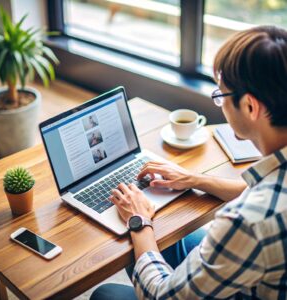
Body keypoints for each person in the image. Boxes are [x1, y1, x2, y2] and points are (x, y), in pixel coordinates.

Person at [91, 25, 287, 299]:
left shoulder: (249, 221)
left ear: (251, 107)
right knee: (170, 237)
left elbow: (162, 295)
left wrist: (138, 220)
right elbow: (268, 191)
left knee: (106, 293)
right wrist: (194, 179)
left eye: (221, 95)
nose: (220, 103)